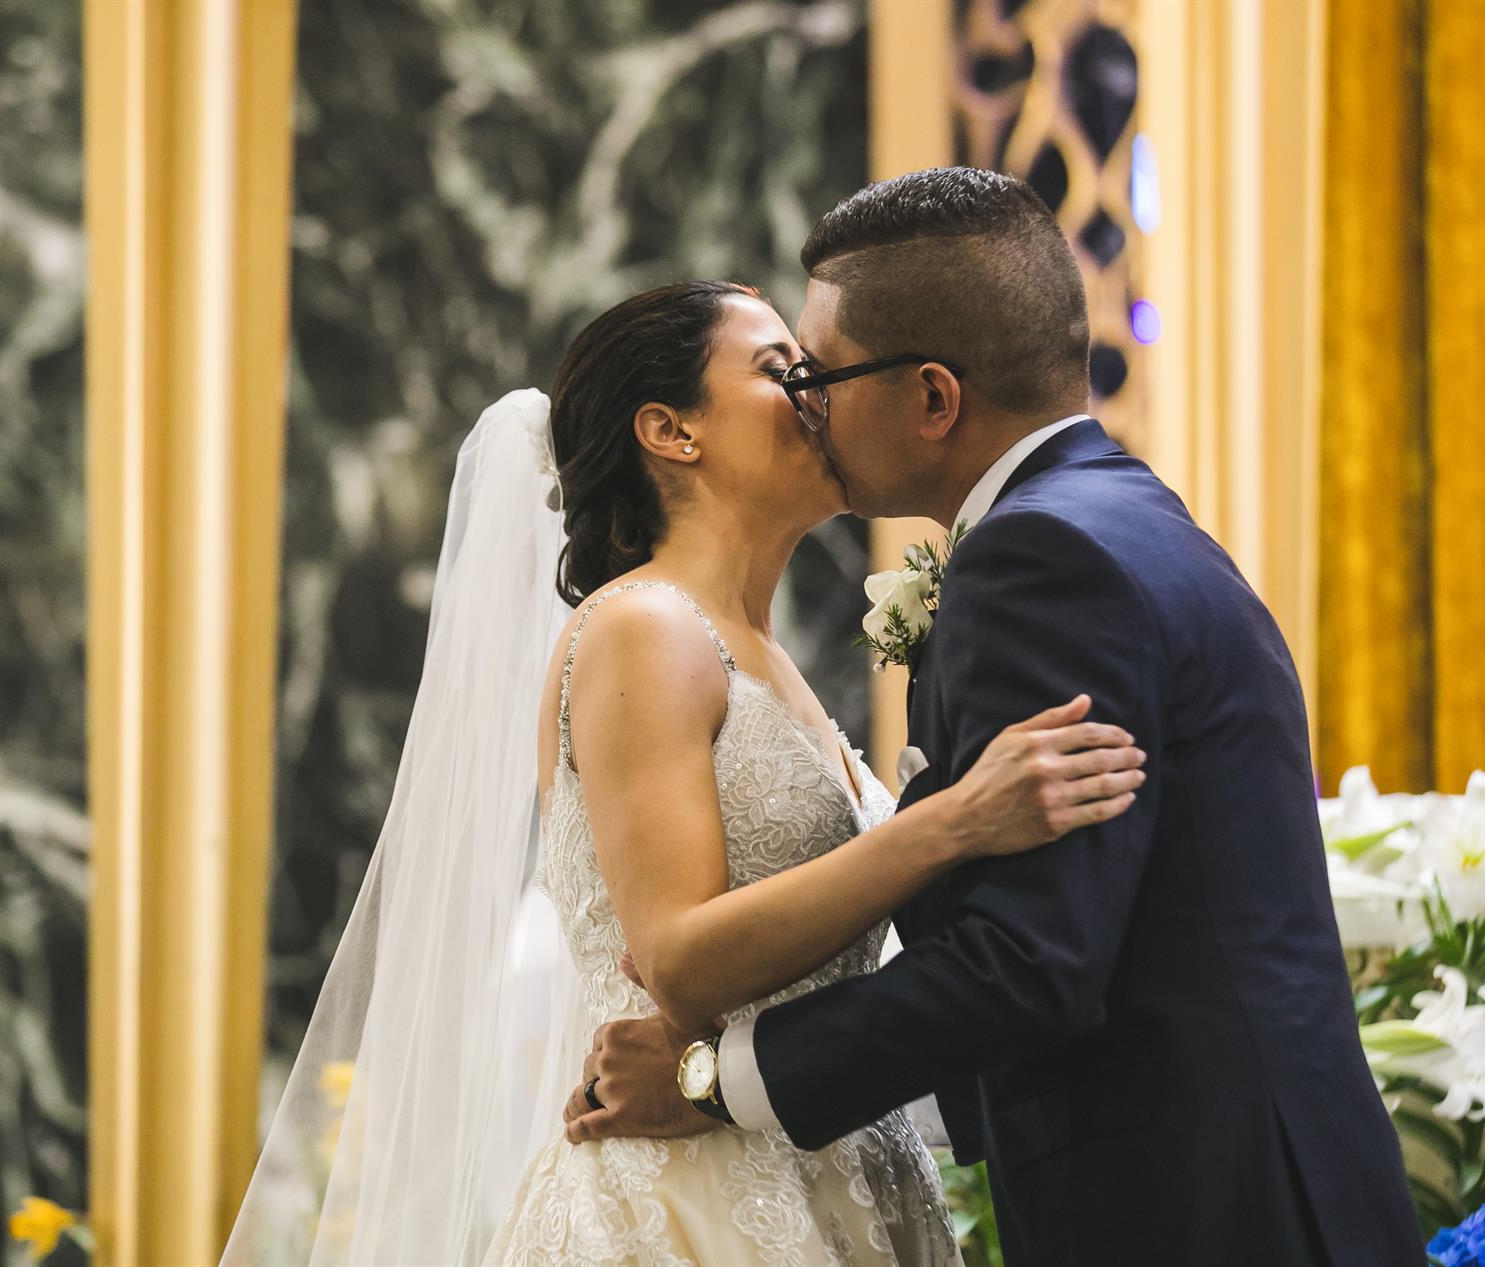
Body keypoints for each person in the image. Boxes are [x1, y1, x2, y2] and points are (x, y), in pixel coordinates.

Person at [564, 169, 1428, 1267]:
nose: (807, 405)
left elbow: (1025, 964)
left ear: (933, 399)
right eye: (785, 377)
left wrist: (712, 1080)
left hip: (1198, 1206)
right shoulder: (1114, 517)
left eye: (816, 373)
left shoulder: (1040, 559)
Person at [218, 272, 1143, 1266]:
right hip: (683, 1200)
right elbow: (678, 956)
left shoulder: (765, 654)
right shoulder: (643, 628)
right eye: (781, 371)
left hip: (829, 1167)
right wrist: (950, 823)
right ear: (671, 431)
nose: (816, 396)